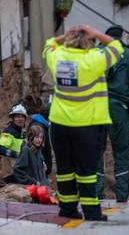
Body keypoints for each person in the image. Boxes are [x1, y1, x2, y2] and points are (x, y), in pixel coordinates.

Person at [43, 25, 124, 221]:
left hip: (60, 125)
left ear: (69, 41)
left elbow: (48, 45)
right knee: (87, 171)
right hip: (87, 126)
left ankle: (68, 209)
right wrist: (95, 32)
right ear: (89, 42)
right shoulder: (93, 60)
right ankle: (91, 212)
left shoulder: (58, 57)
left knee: (64, 170)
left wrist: (65, 35)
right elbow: (117, 47)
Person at [96, 25, 129, 202]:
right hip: (120, 110)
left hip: (97, 108)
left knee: (96, 150)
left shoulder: (96, 53)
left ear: (105, 36)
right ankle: (122, 195)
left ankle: (97, 192)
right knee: (122, 152)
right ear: (121, 36)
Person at [28, 103, 52, 176]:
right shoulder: (38, 127)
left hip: (40, 169)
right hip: (38, 171)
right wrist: (42, 162)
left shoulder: (42, 125)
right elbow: (34, 148)